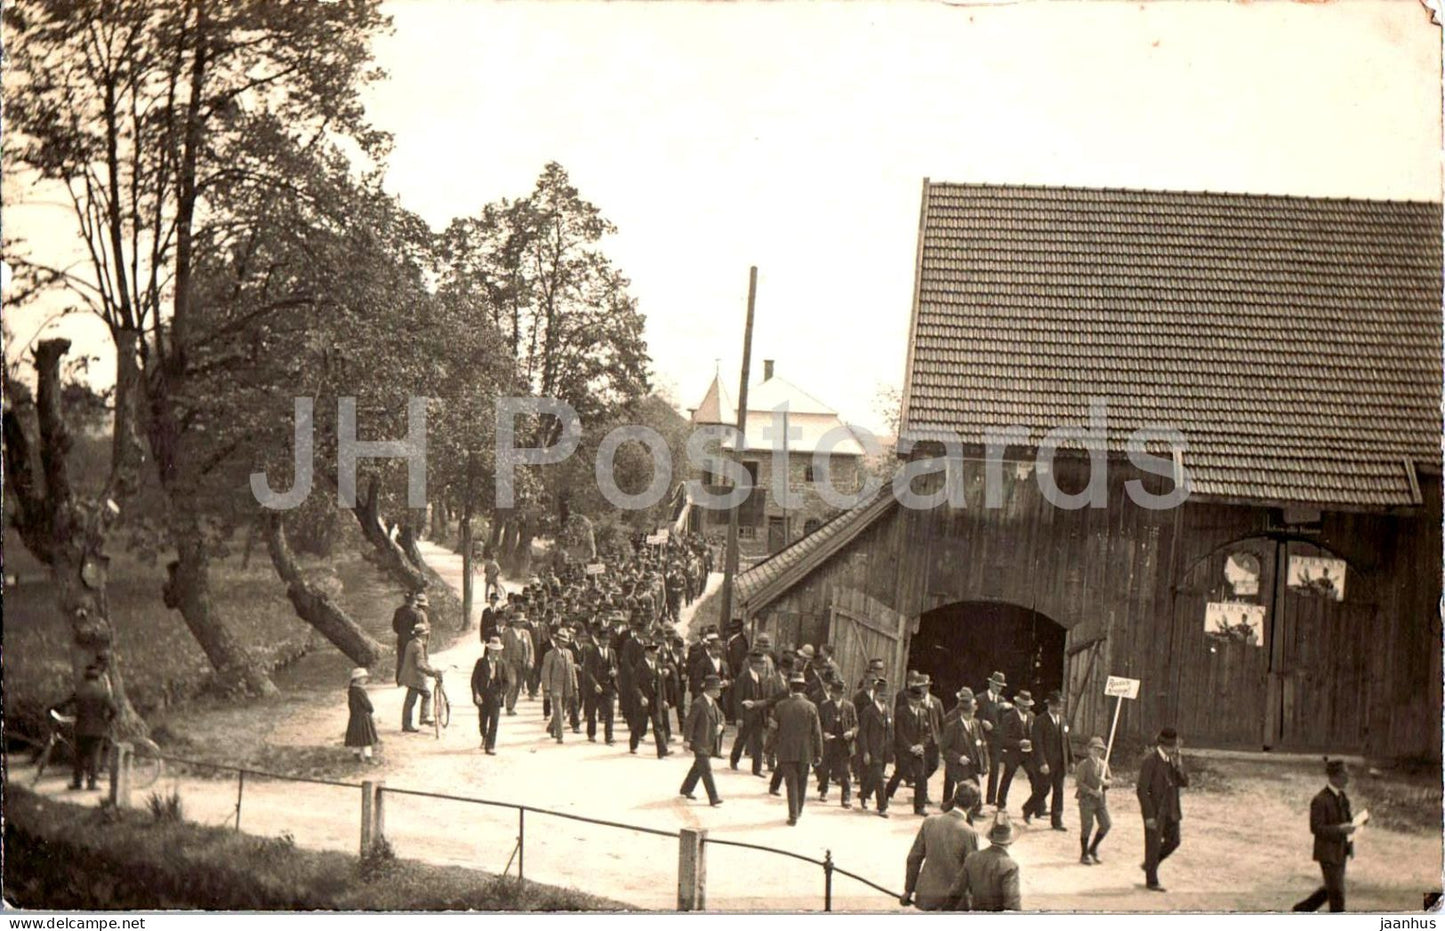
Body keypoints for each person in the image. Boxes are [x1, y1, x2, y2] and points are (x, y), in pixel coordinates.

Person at [902, 782, 982, 911]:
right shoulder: (969, 833)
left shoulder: (930, 821)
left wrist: (908, 890)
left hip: (926, 896)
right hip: (954, 902)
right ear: (975, 803)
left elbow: (914, 859)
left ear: (954, 797)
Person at [1292, 759, 1357, 912]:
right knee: (1337, 893)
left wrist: (1350, 845)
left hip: (1341, 851)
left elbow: (1349, 822)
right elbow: (1316, 828)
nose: (1348, 778)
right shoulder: (1320, 800)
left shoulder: (1343, 798)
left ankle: (1303, 909)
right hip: (1326, 852)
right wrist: (1340, 829)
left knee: (1331, 888)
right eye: (1345, 774)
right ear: (1334, 776)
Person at [1137, 726, 1189, 892]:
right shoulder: (1150, 761)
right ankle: (1151, 880)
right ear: (1165, 745)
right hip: (1155, 811)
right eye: (1173, 747)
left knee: (1174, 841)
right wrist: (1149, 815)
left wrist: (1179, 765)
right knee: (1152, 845)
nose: (1175, 750)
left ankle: (1150, 864)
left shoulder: (1172, 761)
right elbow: (1141, 790)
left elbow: (1184, 782)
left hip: (1172, 810)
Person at [51, 662, 118, 790]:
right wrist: (107, 720)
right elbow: (114, 710)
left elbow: (64, 704)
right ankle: (91, 784)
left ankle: (77, 783)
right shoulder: (103, 692)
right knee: (94, 757)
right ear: (97, 677)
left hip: (81, 728)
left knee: (79, 756)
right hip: (98, 729)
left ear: (85, 677)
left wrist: (52, 708)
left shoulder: (80, 691)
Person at [774, 672, 823, 826]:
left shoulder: (780, 706)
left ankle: (793, 814)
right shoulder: (811, 707)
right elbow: (817, 733)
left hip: (786, 751)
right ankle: (798, 810)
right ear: (803, 688)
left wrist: (768, 749)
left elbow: (773, 730)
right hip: (805, 752)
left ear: (790, 687)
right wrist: (819, 753)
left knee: (791, 784)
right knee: (802, 782)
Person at [947, 812, 1022, 911]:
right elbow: (1012, 903)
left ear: (991, 837)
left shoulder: (972, 858)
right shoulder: (1010, 866)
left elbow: (956, 891)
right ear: (1010, 842)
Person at [1027, 690, 1072, 829]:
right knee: (1043, 790)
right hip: (1046, 763)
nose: (1058, 708)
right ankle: (1027, 809)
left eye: (1060, 705)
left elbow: (1067, 741)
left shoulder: (1063, 721)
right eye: (1056, 705)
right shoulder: (1040, 721)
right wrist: (1042, 762)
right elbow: (1037, 744)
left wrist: (1070, 760)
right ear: (1049, 705)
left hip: (1060, 763)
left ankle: (1057, 821)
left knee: (1059, 791)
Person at [679, 674, 726, 807]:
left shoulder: (713, 703)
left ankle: (686, 789)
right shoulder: (698, 703)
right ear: (711, 689)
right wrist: (687, 740)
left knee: (698, 768)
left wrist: (721, 725)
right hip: (700, 743)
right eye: (718, 689)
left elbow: (722, 716)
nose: (719, 691)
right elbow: (690, 723)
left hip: (709, 742)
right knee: (706, 770)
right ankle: (713, 797)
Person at [939, 687, 989, 812]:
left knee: (975, 786)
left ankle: (972, 809)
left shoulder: (976, 724)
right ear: (962, 712)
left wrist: (985, 763)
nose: (972, 714)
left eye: (973, 712)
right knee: (965, 790)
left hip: (972, 764)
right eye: (969, 712)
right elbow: (944, 749)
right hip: (958, 766)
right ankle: (966, 812)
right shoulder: (952, 727)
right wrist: (958, 758)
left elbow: (982, 744)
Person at [886, 685, 932, 816]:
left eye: (919, 700)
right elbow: (899, 733)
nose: (917, 702)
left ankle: (919, 807)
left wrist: (921, 745)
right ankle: (886, 796)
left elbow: (927, 733)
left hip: (918, 751)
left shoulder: (923, 713)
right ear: (909, 699)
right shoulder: (901, 712)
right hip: (904, 751)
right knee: (899, 774)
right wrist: (910, 747)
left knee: (921, 777)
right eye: (914, 699)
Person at [817, 676, 858, 807]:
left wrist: (851, 732)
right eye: (834, 692)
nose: (836, 695)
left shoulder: (850, 707)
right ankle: (823, 790)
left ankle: (846, 798)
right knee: (825, 769)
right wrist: (824, 733)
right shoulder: (824, 706)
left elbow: (856, 724)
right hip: (829, 743)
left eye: (839, 693)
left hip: (844, 743)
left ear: (843, 693)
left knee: (845, 772)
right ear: (831, 692)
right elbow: (818, 723)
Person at [730, 649, 771, 775]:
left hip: (758, 715)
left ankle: (756, 769)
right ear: (754, 664)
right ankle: (734, 759)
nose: (764, 666)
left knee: (759, 742)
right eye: (762, 663)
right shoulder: (744, 677)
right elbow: (737, 699)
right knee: (742, 738)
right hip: (746, 715)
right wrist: (739, 717)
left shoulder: (760, 678)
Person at [858, 677, 895, 817]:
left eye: (886, 695)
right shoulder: (868, 711)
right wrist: (866, 752)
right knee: (879, 779)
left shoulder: (888, 711)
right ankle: (882, 807)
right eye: (881, 695)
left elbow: (890, 732)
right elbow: (863, 733)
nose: (884, 698)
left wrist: (892, 751)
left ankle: (864, 794)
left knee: (874, 778)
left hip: (884, 751)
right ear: (875, 694)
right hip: (873, 751)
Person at [995, 690, 1037, 815]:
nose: (1026, 708)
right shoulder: (1009, 717)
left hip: (1028, 754)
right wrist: (1019, 743)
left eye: (1028, 705)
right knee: (1007, 777)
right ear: (1018, 704)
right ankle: (1001, 804)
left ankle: (1037, 806)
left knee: (1034, 777)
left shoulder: (1031, 716)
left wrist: (1031, 742)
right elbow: (1003, 739)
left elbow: (1034, 734)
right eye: (1023, 705)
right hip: (1013, 754)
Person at [630, 641, 671, 758]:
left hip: (655, 701)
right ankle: (633, 745)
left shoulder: (658, 666)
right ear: (647, 653)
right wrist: (641, 697)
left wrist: (664, 699)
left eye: (656, 653)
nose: (655, 655)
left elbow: (661, 685)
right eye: (653, 653)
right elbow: (635, 685)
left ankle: (662, 751)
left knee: (658, 724)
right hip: (643, 701)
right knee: (639, 724)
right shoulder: (640, 666)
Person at [1075, 736, 1111, 864]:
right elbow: (1079, 783)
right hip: (1086, 800)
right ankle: (1084, 854)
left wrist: (1105, 781)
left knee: (1106, 824)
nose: (1098, 752)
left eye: (1101, 750)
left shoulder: (1104, 764)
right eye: (1095, 749)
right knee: (1087, 826)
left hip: (1100, 800)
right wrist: (1091, 791)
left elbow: (1110, 780)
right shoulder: (1083, 765)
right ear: (1089, 749)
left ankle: (1093, 848)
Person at [582, 625, 620, 744]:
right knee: (592, 711)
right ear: (599, 640)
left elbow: (616, 666)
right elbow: (587, 671)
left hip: (608, 685)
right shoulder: (592, 652)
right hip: (595, 686)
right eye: (603, 640)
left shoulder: (612, 652)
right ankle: (591, 734)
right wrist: (594, 684)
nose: (605, 642)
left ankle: (609, 736)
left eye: (607, 640)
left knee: (610, 712)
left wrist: (615, 672)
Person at [399, 622, 440, 732]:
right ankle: (420, 719)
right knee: (423, 696)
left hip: (410, 676)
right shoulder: (418, 646)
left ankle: (409, 723)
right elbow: (420, 664)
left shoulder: (411, 643)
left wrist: (430, 669)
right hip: (415, 678)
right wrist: (432, 672)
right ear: (422, 635)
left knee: (411, 700)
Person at [471, 637, 508, 754]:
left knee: (494, 720)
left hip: (496, 695)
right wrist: (476, 694)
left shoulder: (502, 663)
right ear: (489, 650)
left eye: (497, 650)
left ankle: (490, 746)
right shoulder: (481, 662)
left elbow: (506, 681)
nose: (495, 653)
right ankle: (484, 735)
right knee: (483, 719)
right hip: (483, 695)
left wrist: (503, 693)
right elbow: (474, 680)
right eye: (493, 650)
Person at [541, 628, 579, 743]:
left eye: (565, 641)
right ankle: (560, 735)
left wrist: (575, 685)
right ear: (557, 641)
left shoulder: (569, 653)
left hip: (567, 686)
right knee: (558, 709)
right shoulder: (549, 655)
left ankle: (552, 727)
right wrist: (546, 689)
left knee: (561, 710)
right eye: (562, 641)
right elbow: (545, 673)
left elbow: (572, 670)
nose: (564, 643)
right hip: (555, 686)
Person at [977, 671, 1008, 806]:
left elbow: (1005, 721)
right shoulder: (980, 698)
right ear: (990, 683)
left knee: (995, 768)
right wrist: (982, 721)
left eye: (1001, 686)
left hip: (996, 740)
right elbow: (971, 717)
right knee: (978, 767)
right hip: (982, 738)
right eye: (996, 685)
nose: (998, 688)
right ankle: (974, 797)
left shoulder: (1002, 701)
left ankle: (991, 799)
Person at [500, 612, 534, 716]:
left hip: (522, 663)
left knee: (518, 685)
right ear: (514, 622)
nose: (520, 624)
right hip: (509, 663)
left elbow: (530, 648)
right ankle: (509, 706)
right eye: (518, 622)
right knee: (512, 683)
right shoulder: (506, 633)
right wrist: (501, 662)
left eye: (522, 622)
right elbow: (500, 648)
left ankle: (512, 705)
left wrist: (530, 660)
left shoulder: (526, 633)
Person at [344, 667, 379, 764]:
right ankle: (368, 757)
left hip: (355, 717)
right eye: (363, 678)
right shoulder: (360, 691)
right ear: (357, 679)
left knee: (356, 737)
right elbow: (366, 703)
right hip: (363, 717)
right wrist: (371, 709)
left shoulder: (351, 690)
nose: (365, 680)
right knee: (366, 739)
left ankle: (357, 755)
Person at [391, 591, 424, 685]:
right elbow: (418, 628)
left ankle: (399, 680)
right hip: (411, 638)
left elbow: (395, 626)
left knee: (401, 659)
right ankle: (410, 680)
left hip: (401, 637)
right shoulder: (415, 613)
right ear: (413, 601)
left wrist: (401, 632)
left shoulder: (398, 611)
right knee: (412, 659)